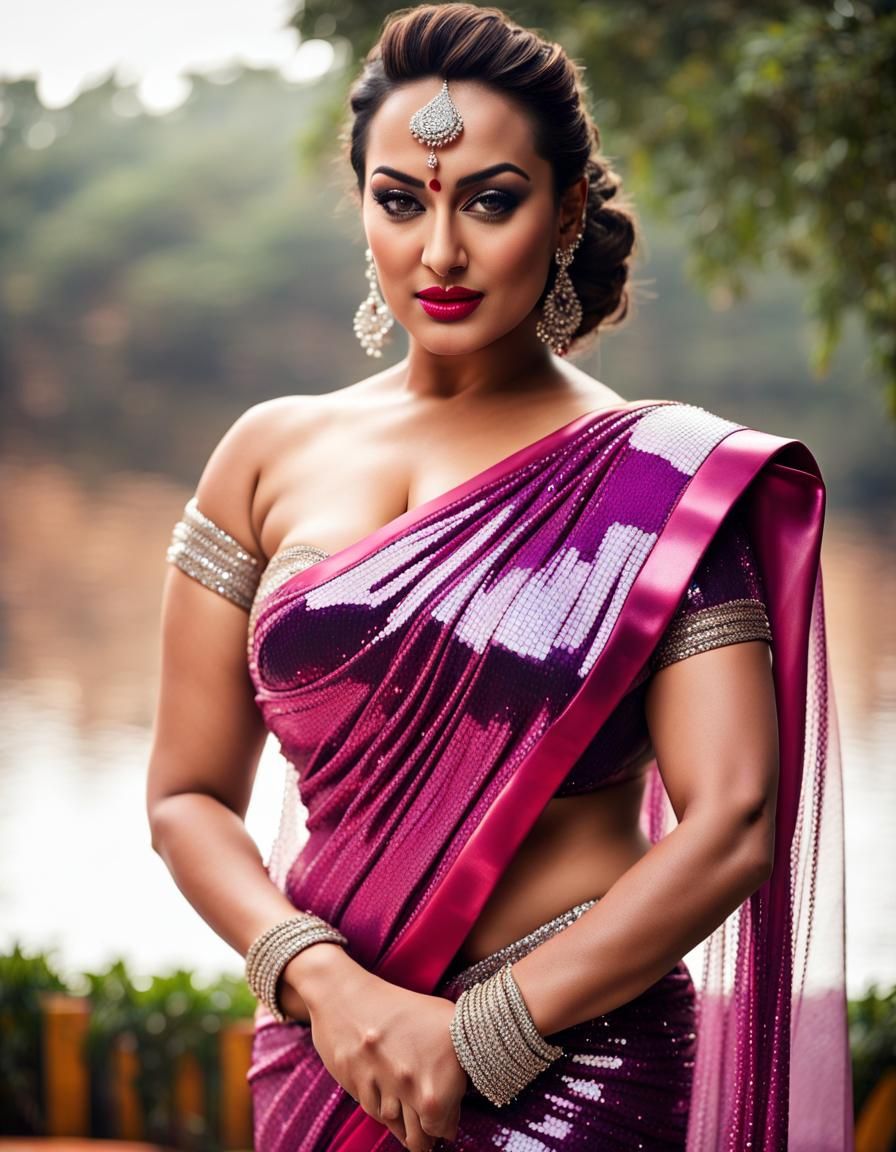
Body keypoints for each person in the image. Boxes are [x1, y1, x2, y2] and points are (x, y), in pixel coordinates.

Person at [146, 5, 853, 1150]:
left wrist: (476, 1038)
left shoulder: (663, 480)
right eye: (398, 200)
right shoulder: (264, 455)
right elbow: (184, 797)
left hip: (578, 1069)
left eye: (488, 199)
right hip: (330, 1062)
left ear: (565, 209)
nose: (438, 252)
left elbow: (729, 821)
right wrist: (331, 994)